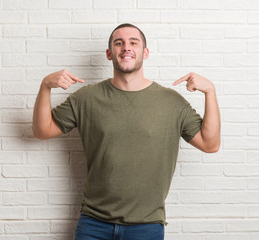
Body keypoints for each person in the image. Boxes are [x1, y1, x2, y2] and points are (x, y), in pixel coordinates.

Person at [32, 23, 220, 240]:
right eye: (118, 43)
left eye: (133, 42)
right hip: (93, 224)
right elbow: (42, 130)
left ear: (145, 52)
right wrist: (45, 86)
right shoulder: (86, 98)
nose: (126, 47)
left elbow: (210, 144)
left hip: (146, 226)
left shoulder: (171, 102)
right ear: (109, 53)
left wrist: (210, 92)